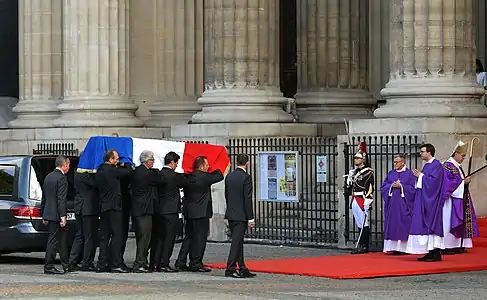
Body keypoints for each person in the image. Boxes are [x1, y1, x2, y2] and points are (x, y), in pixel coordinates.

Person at [176, 156, 227, 272]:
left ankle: (181, 261)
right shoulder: (204, 177)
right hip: (201, 213)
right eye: (207, 165)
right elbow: (219, 175)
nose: (208, 166)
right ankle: (196, 263)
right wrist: (218, 165)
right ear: (201, 166)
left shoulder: (188, 177)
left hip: (189, 212)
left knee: (188, 237)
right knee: (200, 239)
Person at [95, 149, 133, 273]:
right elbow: (128, 172)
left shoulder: (99, 171)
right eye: (116, 158)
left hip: (103, 207)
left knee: (104, 237)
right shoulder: (111, 170)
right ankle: (115, 263)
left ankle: (102, 263)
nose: (118, 161)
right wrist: (126, 163)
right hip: (114, 207)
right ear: (110, 159)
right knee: (117, 235)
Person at [406, 143, 445, 262]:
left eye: (423, 151)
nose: (421, 153)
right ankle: (430, 251)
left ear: (429, 152)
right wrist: (420, 176)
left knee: (431, 223)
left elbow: (434, 183)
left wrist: (421, 176)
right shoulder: (428, 165)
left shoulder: (436, 165)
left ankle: (436, 252)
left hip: (432, 201)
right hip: (424, 198)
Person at [151, 151, 187, 272]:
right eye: (176, 163)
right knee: (169, 239)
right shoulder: (174, 176)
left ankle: (155, 262)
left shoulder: (159, 174)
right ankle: (164, 263)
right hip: (170, 211)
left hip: (159, 211)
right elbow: (186, 182)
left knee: (159, 238)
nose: (177, 165)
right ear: (171, 162)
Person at [441, 141, 479, 254]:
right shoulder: (447, 166)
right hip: (450, 201)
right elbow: (447, 183)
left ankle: (458, 245)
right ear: (456, 153)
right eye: (462, 156)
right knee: (449, 221)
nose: (463, 158)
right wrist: (463, 183)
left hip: (460, 197)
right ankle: (448, 246)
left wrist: (464, 182)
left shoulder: (457, 166)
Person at [224, 154, 256, 278]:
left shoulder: (229, 176)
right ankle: (230, 268)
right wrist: (251, 218)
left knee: (238, 242)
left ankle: (242, 267)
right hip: (241, 214)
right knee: (236, 243)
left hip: (231, 213)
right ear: (246, 163)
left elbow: (227, 195)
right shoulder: (246, 177)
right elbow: (247, 199)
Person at [131, 150, 162, 273]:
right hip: (144, 209)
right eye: (152, 160)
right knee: (144, 237)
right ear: (147, 161)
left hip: (139, 209)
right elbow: (159, 179)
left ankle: (142, 261)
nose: (153, 162)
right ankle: (139, 263)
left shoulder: (138, 171)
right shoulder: (146, 173)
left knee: (143, 237)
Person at [380, 154, 416, 254]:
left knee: (404, 224)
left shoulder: (410, 174)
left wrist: (402, 186)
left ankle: (404, 248)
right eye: (394, 162)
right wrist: (391, 186)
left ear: (403, 162)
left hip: (405, 204)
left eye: (397, 162)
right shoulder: (391, 173)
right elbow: (383, 187)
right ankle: (394, 248)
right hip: (392, 205)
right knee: (393, 224)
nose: (395, 164)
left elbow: (414, 189)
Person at [41, 155, 70, 274]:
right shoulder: (62, 178)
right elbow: (61, 199)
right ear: (63, 165)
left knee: (57, 239)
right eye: (68, 165)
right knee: (53, 240)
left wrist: (44, 214)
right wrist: (63, 215)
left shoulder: (48, 177)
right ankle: (49, 266)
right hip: (56, 214)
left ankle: (65, 264)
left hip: (49, 212)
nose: (69, 167)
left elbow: (44, 198)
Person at [346, 142, 374, 254]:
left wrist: (368, 200)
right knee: (358, 222)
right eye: (355, 158)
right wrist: (350, 178)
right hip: (354, 198)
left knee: (364, 222)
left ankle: (364, 245)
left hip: (362, 198)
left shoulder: (368, 173)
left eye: (358, 158)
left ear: (363, 160)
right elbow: (350, 187)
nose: (355, 160)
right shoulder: (355, 172)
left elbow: (370, 187)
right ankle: (361, 244)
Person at [74, 170, 99, 272]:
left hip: (79, 207)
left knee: (80, 235)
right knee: (90, 237)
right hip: (88, 209)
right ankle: (87, 262)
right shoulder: (87, 175)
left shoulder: (77, 172)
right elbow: (97, 183)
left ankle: (73, 260)